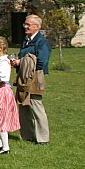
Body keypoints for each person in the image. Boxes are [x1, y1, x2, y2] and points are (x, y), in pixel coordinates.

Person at [11, 14, 50, 145]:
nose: (25, 27)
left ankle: (42, 138)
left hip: (35, 77)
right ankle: (27, 135)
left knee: (35, 105)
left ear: (37, 27)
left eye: (28, 25)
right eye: (25, 24)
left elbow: (41, 62)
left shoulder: (41, 42)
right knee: (24, 105)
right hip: (23, 76)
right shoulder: (26, 39)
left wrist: (21, 62)